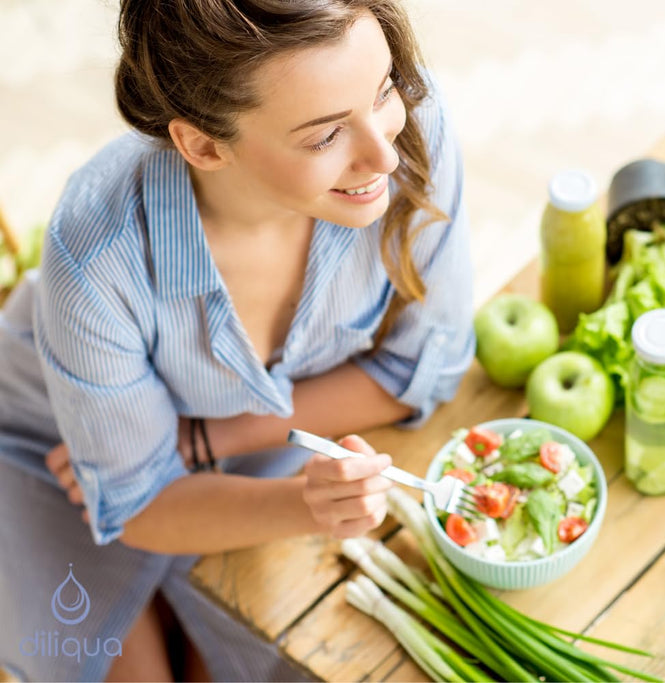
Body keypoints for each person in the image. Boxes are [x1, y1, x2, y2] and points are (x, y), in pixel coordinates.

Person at [0, 0, 474, 680]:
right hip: (46, 454)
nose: (383, 152)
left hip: (245, 452)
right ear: (202, 144)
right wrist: (308, 502)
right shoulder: (96, 248)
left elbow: (422, 367)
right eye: (323, 137)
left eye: (382, 91)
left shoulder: (411, 130)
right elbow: (139, 502)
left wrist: (207, 439)